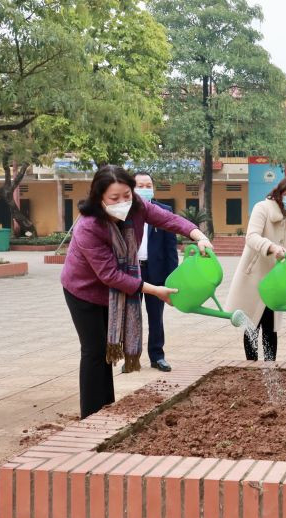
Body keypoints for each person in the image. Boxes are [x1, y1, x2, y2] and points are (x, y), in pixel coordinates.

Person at [61, 165, 213, 418]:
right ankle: (90, 414)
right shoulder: (88, 226)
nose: (122, 202)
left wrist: (198, 236)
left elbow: (168, 219)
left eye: (127, 195)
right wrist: (155, 290)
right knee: (93, 351)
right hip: (83, 291)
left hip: (112, 294)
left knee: (105, 351)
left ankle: (105, 406)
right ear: (99, 198)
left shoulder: (138, 208)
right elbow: (110, 275)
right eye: (114, 198)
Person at [225, 175, 286, 361]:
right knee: (251, 324)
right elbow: (251, 237)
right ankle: (252, 367)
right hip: (254, 276)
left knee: (271, 327)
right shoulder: (262, 208)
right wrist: (271, 247)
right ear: (280, 192)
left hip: (276, 279)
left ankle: (270, 368)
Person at [131, 172, 177, 372]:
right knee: (132, 316)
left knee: (155, 317)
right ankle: (131, 357)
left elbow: (171, 249)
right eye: (139, 186)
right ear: (131, 189)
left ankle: (157, 356)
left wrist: (173, 278)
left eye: (148, 185)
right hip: (132, 272)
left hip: (156, 272)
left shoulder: (163, 211)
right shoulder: (125, 213)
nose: (144, 189)